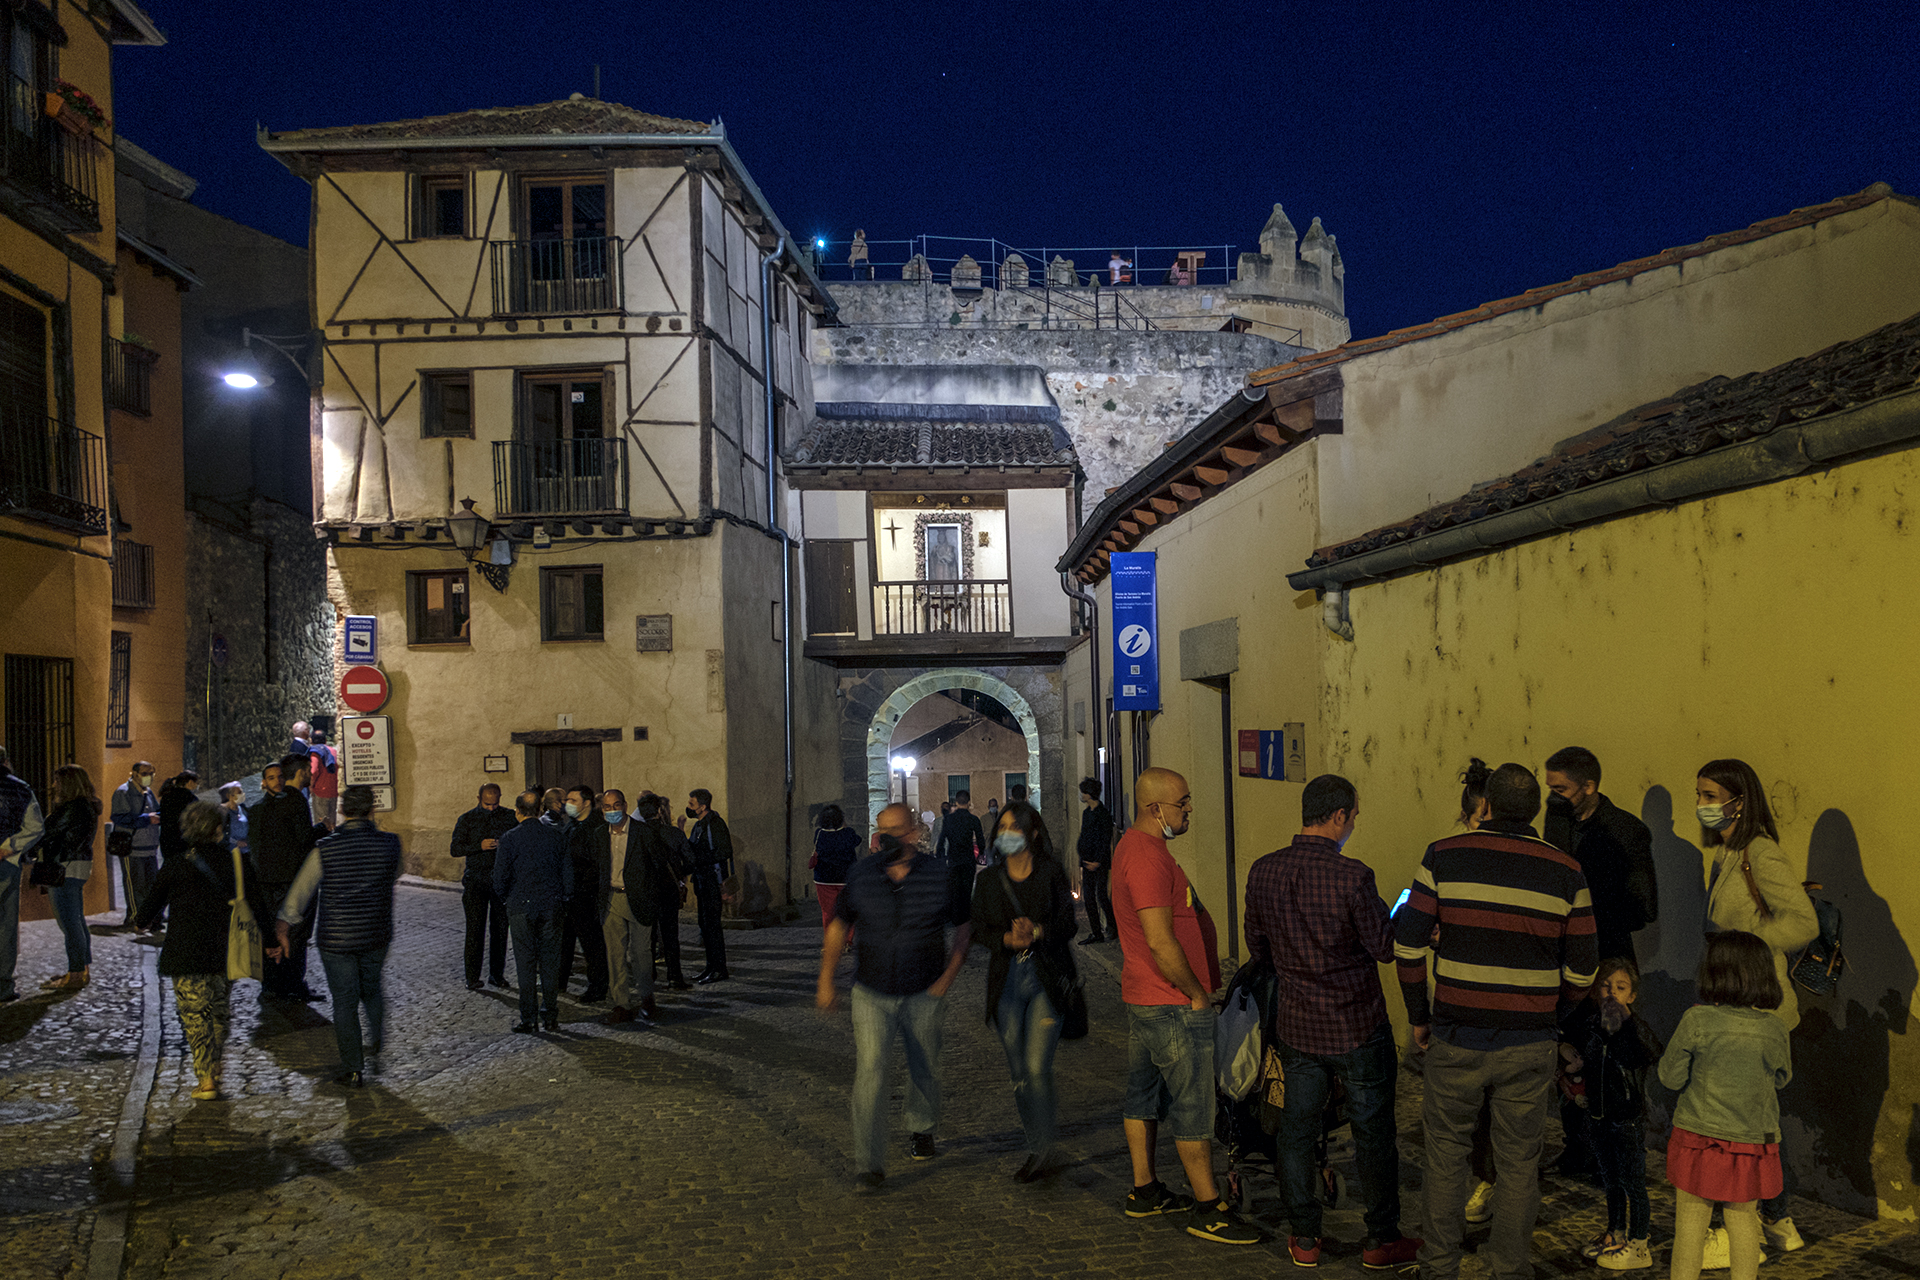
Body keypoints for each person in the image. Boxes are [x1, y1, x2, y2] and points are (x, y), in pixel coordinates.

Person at [1392, 761, 1598, 1280]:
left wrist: (1420, 1014)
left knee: (1445, 1157)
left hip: (1457, 1033)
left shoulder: (1443, 854)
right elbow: (1583, 968)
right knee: (1518, 1163)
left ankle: (1438, 1267)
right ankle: (1509, 1269)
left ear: (1485, 806)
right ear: (1534, 811)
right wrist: (1554, 1013)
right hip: (1529, 1043)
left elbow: (1407, 942)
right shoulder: (1567, 871)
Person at [1242, 774, 1420, 1270]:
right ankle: (1380, 1239)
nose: (1353, 824)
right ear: (1339, 815)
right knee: (1373, 1133)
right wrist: (1402, 911)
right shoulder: (1354, 877)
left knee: (1296, 1133)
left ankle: (1304, 1238)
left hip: (1298, 1027)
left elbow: (1259, 950)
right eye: (1354, 815)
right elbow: (1384, 947)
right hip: (1356, 1025)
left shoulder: (1264, 871)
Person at [1113, 766, 1260, 1246]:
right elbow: (1159, 939)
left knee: (1143, 1095)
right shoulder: (1148, 857)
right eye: (1183, 802)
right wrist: (1197, 992)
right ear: (1156, 809)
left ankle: (1145, 1189)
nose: (1190, 808)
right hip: (1170, 1001)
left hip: (1146, 996)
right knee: (1193, 1104)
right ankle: (1209, 1206)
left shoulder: (1139, 849)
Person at [1695, 758, 1817, 1254]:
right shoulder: (1726, 855)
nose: (1701, 805)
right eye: (1699, 795)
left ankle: (1754, 1224)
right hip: (1731, 1004)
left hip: (1758, 1009)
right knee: (1751, 1121)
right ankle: (1777, 1220)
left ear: (1738, 801)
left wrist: (1747, 944)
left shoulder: (1759, 853)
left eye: (1709, 796)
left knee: (1741, 1123)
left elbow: (1803, 922)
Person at [816, 802, 971, 1191]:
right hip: (872, 991)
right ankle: (868, 1164)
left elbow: (965, 926)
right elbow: (839, 924)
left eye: (893, 830)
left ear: (913, 832)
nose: (884, 837)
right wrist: (826, 980)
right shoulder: (862, 874)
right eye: (880, 829)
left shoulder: (939, 875)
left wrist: (947, 979)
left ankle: (921, 1127)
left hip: (925, 989)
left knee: (925, 1066)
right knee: (870, 1072)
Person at [1661, 931, 1793, 1280]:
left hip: (1698, 1138)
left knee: (1689, 1229)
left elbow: (1669, 1077)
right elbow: (1781, 1078)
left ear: (1712, 972)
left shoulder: (1697, 1021)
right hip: (1751, 1141)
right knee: (1744, 1224)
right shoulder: (1775, 1028)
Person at [136, 801, 273, 1100]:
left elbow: (149, 909)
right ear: (218, 829)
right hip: (225, 950)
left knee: (195, 1015)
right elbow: (258, 904)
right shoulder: (237, 861)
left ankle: (206, 1077)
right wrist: (272, 940)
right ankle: (215, 1063)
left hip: (186, 952)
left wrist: (140, 922)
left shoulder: (175, 863)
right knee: (219, 1010)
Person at [971, 800, 1078, 1181]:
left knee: (1036, 1067)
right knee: (1018, 1072)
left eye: (1014, 827)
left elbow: (1069, 923)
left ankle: (1042, 1149)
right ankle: (1038, 1138)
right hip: (1007, 983)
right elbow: (978, 930)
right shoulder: (987, 881)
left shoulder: (1050, 873)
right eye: (1001, 828)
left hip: (1045, 978)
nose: (1006, 833)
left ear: (1033, 832)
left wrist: (1038, 932)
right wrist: (1005, 938)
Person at [273, 786, 403, 1087]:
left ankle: (353, 1067)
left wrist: (283, 926)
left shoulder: (325, 847)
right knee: (371, 988)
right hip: (376, 932)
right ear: (372, 809)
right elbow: (395, 873)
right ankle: (378, 1037)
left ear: (342, 811)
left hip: (336, 938)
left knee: (344, 1001)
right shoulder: (391, 844)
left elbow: (300, 894)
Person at [1559, 958, 1664, 1270]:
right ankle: (1615, 1233)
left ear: (1631, 995)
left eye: (1620, 987)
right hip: (1599, 1117)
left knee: (1634, 1183)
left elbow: (1653, 1051)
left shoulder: (1634, 1028)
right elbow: (1575, 1051)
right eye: (1605, 985)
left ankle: (1639, 1242)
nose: (1611, 992)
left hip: (1627, 1119)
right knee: (1611, 1181)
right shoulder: (1592, 1026)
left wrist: (1628, 1022)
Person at [1543, 747, 1658, 964]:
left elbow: (1643, 908)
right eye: (1551, 789)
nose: (1553, 798)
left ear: (1588, 787)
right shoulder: (1558, 820)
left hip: (1606, 955)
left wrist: (1586, 918)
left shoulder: (1627, 831)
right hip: (1561, 953)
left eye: (1560, 789)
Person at [494, 790, 573, 1032]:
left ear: (517, 811)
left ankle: (529, 1018)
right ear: (539, 810)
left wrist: (509, 897)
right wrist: (563, 899)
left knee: (525, 964)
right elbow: (567, 874)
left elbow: (499, 880)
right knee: (550, 963)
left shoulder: (509, 839)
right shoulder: (556, 836)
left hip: (520, 907)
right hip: (550, 905)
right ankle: (550, 1015)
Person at [248, 755, 324, 1000]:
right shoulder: (295, 802)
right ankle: (292, 983)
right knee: (295, 933)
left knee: (271, 932)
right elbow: (302, 841)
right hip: (290, 881)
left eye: (279, 776)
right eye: (272, 778)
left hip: (265, 881)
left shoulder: (259, 808)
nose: (278, 781)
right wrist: (323, 829)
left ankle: (270, 984)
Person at [37, 764, 100, 990]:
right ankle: (82, 969)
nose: (54, 785)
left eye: (57, 781)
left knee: (69, 922)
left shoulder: (73, 808)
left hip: (66, 866)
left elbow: (48, 833)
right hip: (78, 865)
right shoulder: (86, 807)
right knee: (77, 920)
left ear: (68, 783)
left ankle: (75, 974)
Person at [599, 789, 658, 1025]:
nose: (612, 810)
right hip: (611, 898)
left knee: (641, 953)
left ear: (624, 805)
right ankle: (621, 1004)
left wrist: (650, 895)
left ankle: (646, 998)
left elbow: (657, 865)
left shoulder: (642, 832)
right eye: (606, 806)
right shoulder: (599, 835)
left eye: (616, 805)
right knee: (615, 954)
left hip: (639, 899)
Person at [450, 784, 515, 991]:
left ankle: (497, 975)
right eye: (487, 804)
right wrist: (479, 846)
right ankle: (472, 977)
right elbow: (455, 849)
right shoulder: (467, 819)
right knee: (475, 930)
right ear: (478, 798)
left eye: (495, 804)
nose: (491, 808)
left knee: (500, 931)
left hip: (500, 882)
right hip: (476, 881)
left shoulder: (509, 817)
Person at [559, 784, 610, 1003]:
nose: (567, 805)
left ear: (586, 803)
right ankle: (559, 981)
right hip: (568, 895)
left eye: (573, 800)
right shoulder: (570, 826)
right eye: (567, 800)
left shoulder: (597, 829)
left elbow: (597, 864)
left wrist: (583, 887)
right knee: (564, 941)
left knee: (591, 945)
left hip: (585, 896)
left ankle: (598, 987)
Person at [0, 745, 44, 1003]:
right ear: (5, 761)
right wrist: (8, 848)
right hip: (7, 863)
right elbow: (36, 827)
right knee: (6, 926)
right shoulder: (21, 788)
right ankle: (3, 987)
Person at [683, 789, 731, 984]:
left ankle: (719, 969)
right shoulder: (699, 825)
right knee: (705, 925)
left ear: (703, 806)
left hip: (712, 881)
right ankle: (710, 967)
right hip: (701, 880)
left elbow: (724, 851)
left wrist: (699, 859)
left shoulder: (715, 824)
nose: (689, 807)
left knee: (712, 927)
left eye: (692, 804)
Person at [110, 760, 161, 927]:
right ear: (134, 774)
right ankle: (134, 917)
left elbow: (157, 810)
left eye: (151, 773)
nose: (149, 777)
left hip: (150, 847)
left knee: (150, 885)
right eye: (145, 773)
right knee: (134, 884)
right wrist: (147, 819)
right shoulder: (123, 792)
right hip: (131, 846)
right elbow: (120, 817)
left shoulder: (148, 792)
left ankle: (148, 917)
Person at [1076, 777, 1116, 944]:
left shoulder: (1103, 814)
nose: (1081, 795)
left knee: (1101, 896)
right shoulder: (1087, 813)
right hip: (1087, 861)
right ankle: (1096, 932)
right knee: (1089, 898)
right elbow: (1085, 836)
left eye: (1083, 792)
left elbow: (1105, 839)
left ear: (1089, 794)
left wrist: (1098, 861)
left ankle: (1113, 927)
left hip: (1099, 863)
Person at [810, 804, 861, 931]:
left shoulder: (819, 834)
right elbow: (857, 840)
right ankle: (847, 941)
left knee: (827, 912)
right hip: (846, 878)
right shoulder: (848, 833)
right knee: (849, 910)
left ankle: (830, 942)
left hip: (823, 879)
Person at [936, 790, 983, 869]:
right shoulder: (973, 819)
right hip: (968, 859)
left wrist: (939, 854)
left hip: (953, 858)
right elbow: (980, 838)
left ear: (956, 802)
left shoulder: (948, 819)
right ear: (968, 802)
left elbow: (942, 838)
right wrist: (981, 852)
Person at [307, 731, 340, 827]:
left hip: (321, 792)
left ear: (311, 740)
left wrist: (310, 787)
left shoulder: (315, 752)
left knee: (322, 823)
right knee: (333, 822)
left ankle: (323, 842)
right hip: (334, 790)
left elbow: (313, 771)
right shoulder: (334, 751)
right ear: (325, 740)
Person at [218, 783, 249, 853]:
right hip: (231, 852)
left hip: (246, 850)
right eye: (239, 792)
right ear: (230, 796)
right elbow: (220, 834)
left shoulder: (243, 809)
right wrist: (235, 842)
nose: (243, 794)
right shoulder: (222, 812)